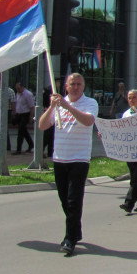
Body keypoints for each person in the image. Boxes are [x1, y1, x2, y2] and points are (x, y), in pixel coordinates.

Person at [38, 73, 98, 256]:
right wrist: (52, 107)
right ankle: (75, 230)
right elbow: (42, 125)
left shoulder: (90, 103)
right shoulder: (58, 104)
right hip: (60, 158)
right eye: (72, 84)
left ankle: (69, 239)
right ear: (66, 86)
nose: (76, 87)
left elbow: (88, 121)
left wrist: (68, 107)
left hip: (79, 159)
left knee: (73, 199)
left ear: (83, 86)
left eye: (79, 84)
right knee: (64, 198)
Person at [12, 82, 35, 155]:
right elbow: (17, 104)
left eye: (18, 88)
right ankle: (31, 144)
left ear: (22, 87)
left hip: (26, 114)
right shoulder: (17, 94)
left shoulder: (28, 94)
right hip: (19, 114)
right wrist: (15, 112)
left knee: (21, 132)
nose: (17, 90)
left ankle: (18, 149)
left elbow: (32, 106)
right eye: (16, 89)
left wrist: (31, 117)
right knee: (24, 131)